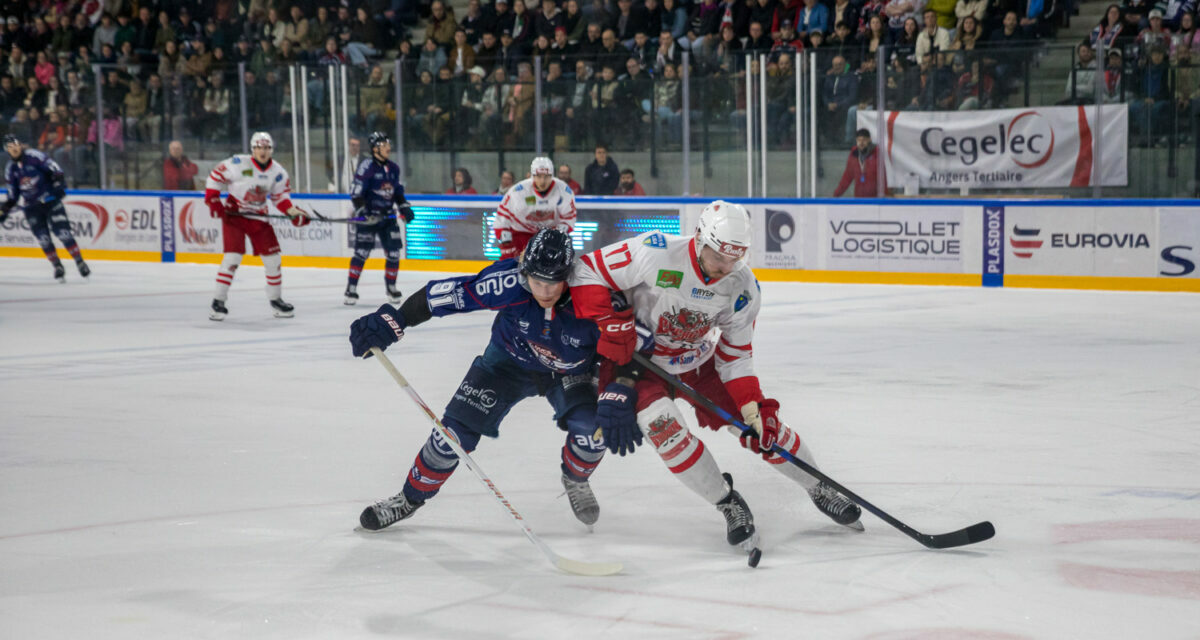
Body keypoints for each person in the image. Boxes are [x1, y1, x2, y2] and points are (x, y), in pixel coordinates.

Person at [568, 201, 863, 556]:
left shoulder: (743, 287)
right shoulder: (654, 251)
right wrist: (612, 326)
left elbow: (735, 354)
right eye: (719, 257)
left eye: (734, 260)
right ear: (699, 239)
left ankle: (818, 486)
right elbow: (587, 271)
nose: (725, 268)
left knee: (762, 428)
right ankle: (727, 502)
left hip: (698, 361)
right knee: (667, 432)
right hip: (639, 364)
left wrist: (750, 405)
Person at [349, 228, 610, 530]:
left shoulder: (594, 293)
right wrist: (396, 320)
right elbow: (441, 296)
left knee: (593, 432)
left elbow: (627, 342)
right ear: (525, 272)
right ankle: (409, 499)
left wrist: (622, 388)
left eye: (554, 283)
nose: (546, 292)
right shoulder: (508, 282)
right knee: (450, 438)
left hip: (571, 371)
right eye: (537, 282)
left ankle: (576, 479)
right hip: (508, 363)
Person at [204, 131, 310, 321]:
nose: (263, 151)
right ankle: (218, 301)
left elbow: (280, 197)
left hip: (259, 217)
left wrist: (292, 212)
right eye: (259, 147)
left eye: (267, 148)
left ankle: (276, 300)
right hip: (234, 215)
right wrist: (213, 199)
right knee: (233, 257)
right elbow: (214, 177)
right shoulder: (237, 164)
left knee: (273, 260)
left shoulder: (278, 172)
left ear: (271, 150)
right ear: (253, 149)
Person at [1, 134, 90, 282]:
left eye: (15, 145)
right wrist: (5, 208)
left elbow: (56, 171)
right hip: (32, 208)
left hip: (51, 202)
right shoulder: (10, 168)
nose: (14, 148)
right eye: (10, 147)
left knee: (63, 233)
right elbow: (13, 195)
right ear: (7, 150)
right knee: (43, 239)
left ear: (21, 145)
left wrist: (58, 186)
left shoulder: (35, 156)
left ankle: (80, 262)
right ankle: (57, 266)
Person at [344, 132, 413, 306]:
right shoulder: (366, 167)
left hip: (388, 217)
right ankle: (351, 289)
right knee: (362, 253)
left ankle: (391, 287)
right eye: (384, 144)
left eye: (388, 144)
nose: (388, 147)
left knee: (394, 253)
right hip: (369, 218)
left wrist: (404, 206)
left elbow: (397, 192)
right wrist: (362, 210)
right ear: (375, 148)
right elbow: (356, 193)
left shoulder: (394, 168)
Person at [494, 156, 577, 259]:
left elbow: (568, 217)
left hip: (549, 235)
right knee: (509, 265)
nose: (542, 181)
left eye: (546, 176)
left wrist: (558, 237)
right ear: (532, 175)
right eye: (538, 176)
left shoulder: (563, 191)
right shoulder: (518, 191)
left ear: (552, 175)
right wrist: (506, 240)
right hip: (521, 233)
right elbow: (503, 214)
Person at [834, 128, 887, 197]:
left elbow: (883, 179)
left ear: (869, 140)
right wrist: (836, 195)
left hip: (874, 201)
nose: (861, 143)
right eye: (859, 140)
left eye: (864, 140)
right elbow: (846, 178)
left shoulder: (876, 155)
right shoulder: (853, 155)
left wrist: (883, 199)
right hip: (858, 201)